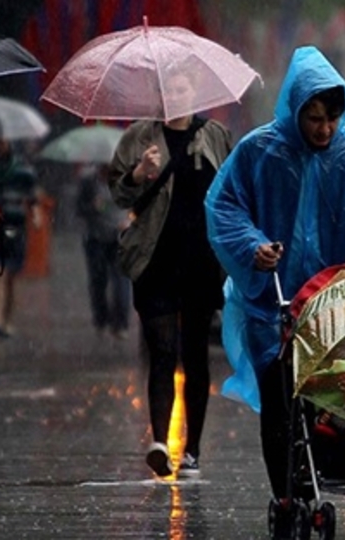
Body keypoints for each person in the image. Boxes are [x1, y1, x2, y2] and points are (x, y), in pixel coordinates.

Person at [204, 46, 345, 514]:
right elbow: (224, 206)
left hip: (338, 299)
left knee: (338, 392)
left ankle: (331, 468)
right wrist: (254, 246)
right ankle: (290, 492)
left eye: (331, 118)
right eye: (313, 118)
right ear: (295, 109)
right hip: (274, 303)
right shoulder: (259, 151)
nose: (324, 129)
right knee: (280, 398)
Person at [108, 68, 233, 479]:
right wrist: (139, 173)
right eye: (166, 90)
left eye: (181, 88)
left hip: (200, 262)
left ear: (194, 91)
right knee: (162, 351)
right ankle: (161, 440)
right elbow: (117, 192)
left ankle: (192, 448)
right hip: (154, 261)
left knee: (195, 354)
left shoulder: (213, 135)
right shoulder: (139, 136)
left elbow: (232, 190)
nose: (173, 96)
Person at [0, 137, 40, 338]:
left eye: (3, 142)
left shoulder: (23, 169)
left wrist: (35, 214)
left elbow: (32, 196)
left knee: (11, 278)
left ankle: (6, 320)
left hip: (16, 227)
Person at [76, 162, 131, 338]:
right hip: (95, 239)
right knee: (98, 281)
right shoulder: (89, 182)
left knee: (122, 282)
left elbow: (137, 205)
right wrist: (92, 207)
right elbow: (79, 209)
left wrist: (130, 222)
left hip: (119, 239)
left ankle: (121, 323)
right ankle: (101, 318)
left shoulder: (127, 180)